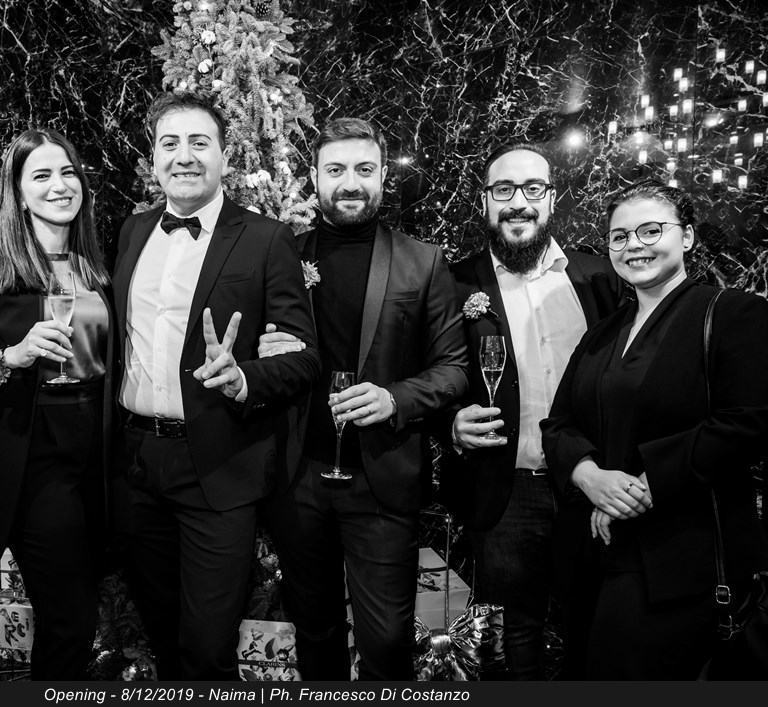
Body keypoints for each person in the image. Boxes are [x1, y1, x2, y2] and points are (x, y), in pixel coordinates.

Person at [110, 91, 320, 680]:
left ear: (225, 156)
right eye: (170, 143)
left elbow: (305, 358)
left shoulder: (266, 238)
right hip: (136, 465)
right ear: (153, 159)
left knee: (207, 649)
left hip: (219, 464)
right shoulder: (132, 231)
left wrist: (243, 377)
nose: (184, 156)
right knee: (160, 635)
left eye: (199, 142)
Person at [257, 117, 468, 679]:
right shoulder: (281, 257)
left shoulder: (423, 261)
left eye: (364, 169)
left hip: (381, 480)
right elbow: (255, 360)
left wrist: (395, 398)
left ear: (382, 177)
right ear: (314, 178)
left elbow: (454, 368)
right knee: (314, 631)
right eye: (336, 170)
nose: (350, 182)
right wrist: (261, 353)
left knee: (387, 642)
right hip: (298, 478)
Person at [541, 179, 768, 679]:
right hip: (596, 554)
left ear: (686, 236)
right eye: (620, 237)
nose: (634, 246)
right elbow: (558, 424)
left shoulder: (733, 313)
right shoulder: (602, 333)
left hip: (682, 558)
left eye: (650, 231)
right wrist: (589, 476)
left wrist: (644, 484)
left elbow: (748, 422)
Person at [0, 128, 113, 679]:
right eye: (41, 175)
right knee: (69, 620)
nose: (60, 185)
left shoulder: (96, 261)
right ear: (17, 191)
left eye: (68, 172)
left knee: (83, 610)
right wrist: (12, 357)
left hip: (100, 453)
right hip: (33, 453)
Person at [445, 143, 623, 679]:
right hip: (506, 489)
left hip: (588, 485)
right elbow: (432, 373)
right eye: (503, 189)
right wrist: (449, 422)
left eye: (532, 188)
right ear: (484, 201)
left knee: (593, 621)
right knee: (516, 634)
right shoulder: (454, 282)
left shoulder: (600, 278)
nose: (518, 202)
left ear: (551, 199)